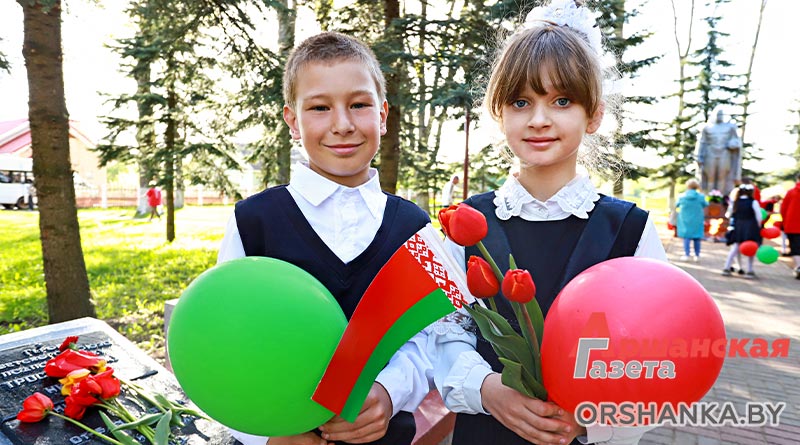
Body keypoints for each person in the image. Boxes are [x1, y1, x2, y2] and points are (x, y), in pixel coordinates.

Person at [427, 2, 667, 444]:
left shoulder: (630, 231)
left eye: (562, 101)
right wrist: (488, 389)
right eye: (521, 102)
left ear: (593, 115)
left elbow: (658, 355)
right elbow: (441, 336)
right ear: (499, 112)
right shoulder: (466, 225)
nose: (539, 120)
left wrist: (593, 419)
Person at [217, 32, 431, 445]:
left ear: (383, 114)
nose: (343, 125)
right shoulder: (253, 222)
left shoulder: (414, 227)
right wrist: (267, 437)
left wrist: (390, 393)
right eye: (319, 108)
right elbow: (228, 339)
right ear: (293, 121)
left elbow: (427, 339)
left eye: (359, 104)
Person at [696, 108, 742, 198]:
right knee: (710, 176)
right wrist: (699, 156)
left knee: (722, 177)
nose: (719, 116)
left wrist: (732, 144)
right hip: (710, 153)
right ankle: (709, 197)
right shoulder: (707, 127)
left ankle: (720, 198)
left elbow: (736, 141)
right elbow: (702, 142)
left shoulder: (730, 127)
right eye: (717, 114)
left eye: (721, 114)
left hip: (724, 153)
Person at [721, 184, 762, 278]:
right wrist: (758, 226)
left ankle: (726, 267)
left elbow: (728, 214)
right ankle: (750, 270)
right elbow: (759, 216)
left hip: (738, 226)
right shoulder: (753, 202)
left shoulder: (735, 202)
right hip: (751, 227)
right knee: (751, 248)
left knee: (735, 248)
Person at [676, 178, 708, 261]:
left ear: (687, 186)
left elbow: (677, 205)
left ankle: (687, 255)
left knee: (686, 237)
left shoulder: (682, 196)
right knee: (697, 237)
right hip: (697, 219)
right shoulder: (701, 196)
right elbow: (706, 204)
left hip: (685, 219)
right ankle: (697, 256)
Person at [779, 173, 800, 278]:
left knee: (795, 247)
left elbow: (783, 209)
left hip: (792, 225)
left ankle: (799, 266)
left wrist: (783, 222)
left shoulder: (791, 192)